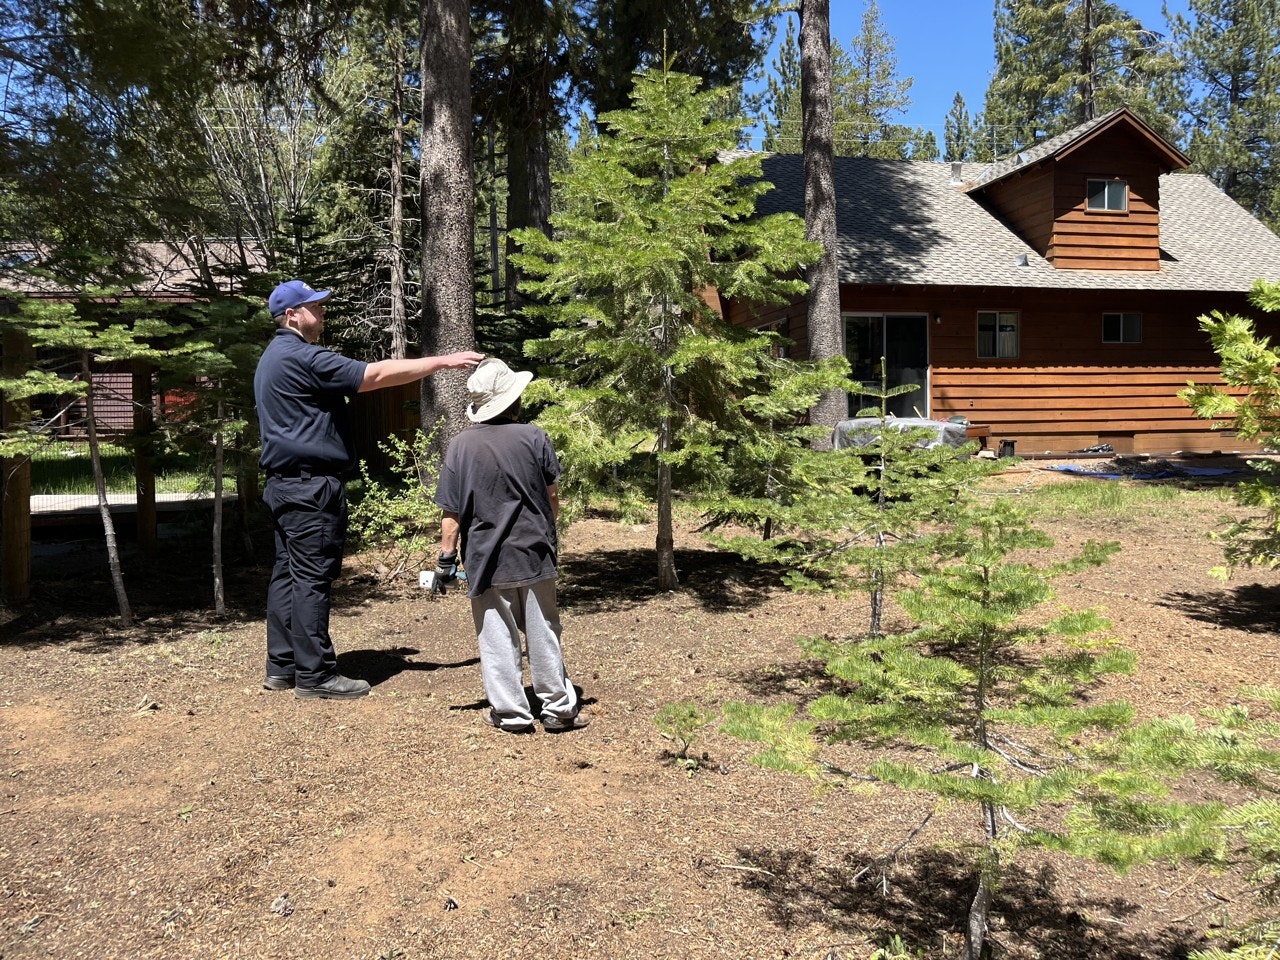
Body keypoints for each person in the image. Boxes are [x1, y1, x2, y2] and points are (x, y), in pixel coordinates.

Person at [254, 279, 483, 700]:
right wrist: (442, 361)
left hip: (285, 486)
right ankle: (316, 675)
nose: (322, 313)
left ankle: (283, 666)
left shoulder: (272, 357)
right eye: (314, 307)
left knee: (288, 574)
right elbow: (373, 374)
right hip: (310, 489)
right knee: (311, 579)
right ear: (292, 316)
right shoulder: (302, 356)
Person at [434, 358, 587, 733]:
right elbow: (552, 496)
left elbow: (451, 513)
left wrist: (446, 559)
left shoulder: (460, 446)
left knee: (496, 637)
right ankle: (559, 710)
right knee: (544, 631)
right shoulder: (534, 437)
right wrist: (548, 532)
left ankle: (511, 713)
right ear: (512, 400)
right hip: (534, 551)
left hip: (485, 557)